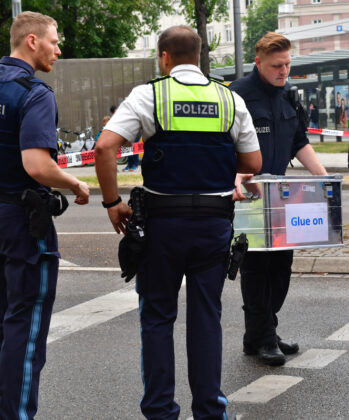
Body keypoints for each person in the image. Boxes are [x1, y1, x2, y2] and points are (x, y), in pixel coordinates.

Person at [94, 25, 261, 419]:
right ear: (199, 57)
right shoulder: (229, 99)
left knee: (156, 318)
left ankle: (159, 411)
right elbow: (253, 162)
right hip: (213, 226)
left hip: (162, 227)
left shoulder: (150, 95)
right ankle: (209, 411)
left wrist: (113, 203)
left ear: (164, 57)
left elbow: (104, 148)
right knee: (206, 320)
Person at [0, 11, 90, 419]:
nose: (59, 49)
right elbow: (37, 165)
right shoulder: (33, 93)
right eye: (54, 41)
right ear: (32, 41)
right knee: (25, 325)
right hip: (21, 223)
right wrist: (74, 184)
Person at [229, 32, 327, 367]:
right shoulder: (238, 95)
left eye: (287, 64)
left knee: (281, 266)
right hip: (250, 195)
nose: (283, 71)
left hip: (282, 193)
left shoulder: (289, 95)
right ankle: (265, 337)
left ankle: (259, 332)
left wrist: (323, 177)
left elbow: (299, 141)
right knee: (256, 268)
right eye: (276, 65)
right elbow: (224, 144)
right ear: (258, 62)